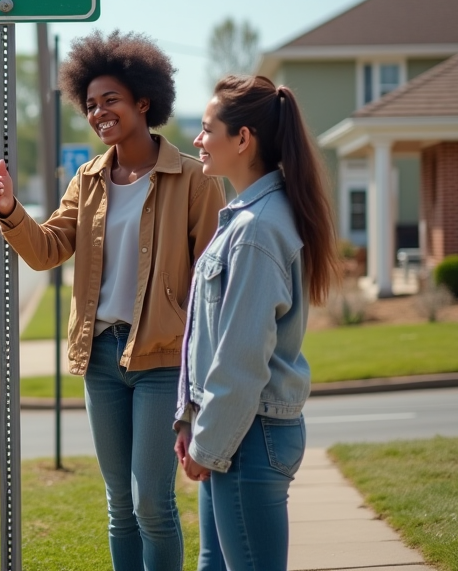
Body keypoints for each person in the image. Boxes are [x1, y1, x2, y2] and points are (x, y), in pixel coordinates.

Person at [0, 31, 224, 571]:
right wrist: (11, 208)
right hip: (100, 360)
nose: (99, 112)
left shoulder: (194, 179)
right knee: (118, 506)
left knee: (152, 502)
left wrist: (202, 371)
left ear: (143, 102)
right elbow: (46, 251)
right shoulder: (86, 180)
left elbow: (211, 281)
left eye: (111, 100)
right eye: (90, 105)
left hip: (162, 358)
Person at [175, 75, 341, 571]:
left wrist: (207, 442)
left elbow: (241, 357)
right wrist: (191, 418)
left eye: (207, 130)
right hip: (233, 429)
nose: (198, 140)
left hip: (248, 436)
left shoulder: (256, 231)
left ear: (243, 139)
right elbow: (212, 341)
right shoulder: (251, 217)